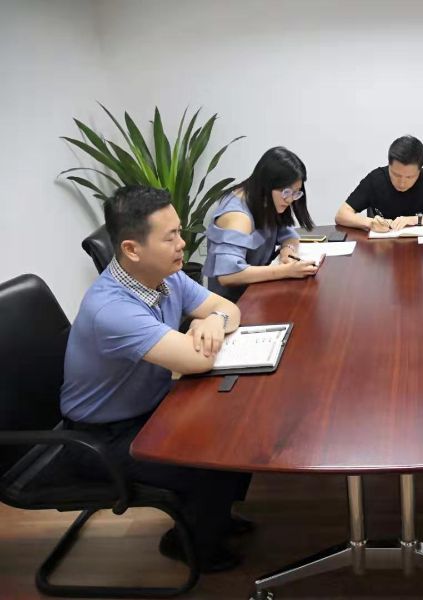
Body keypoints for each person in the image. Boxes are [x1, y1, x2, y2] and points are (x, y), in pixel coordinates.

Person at [60, 186, 252, 573]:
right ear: (132, 249)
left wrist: (212, 321)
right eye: (171, 237)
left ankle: (212, 517)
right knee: (216, 457)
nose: (183, 244)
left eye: (179, 231)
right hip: (100, 439)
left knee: (236, 427)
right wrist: (206, 326)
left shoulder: (165, 276)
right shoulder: (111, 309)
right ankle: (191, 545)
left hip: (148, 408)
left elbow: (227, 308)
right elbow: (196, 360)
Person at [203, 146, 317, 302]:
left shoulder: (267, 200)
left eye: (296, 193)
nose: (290, 199)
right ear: (267, 185)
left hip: (259, 291)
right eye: (286, 192)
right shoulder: (238, 218)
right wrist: (286, 271)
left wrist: (288, 251)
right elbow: (228, 275)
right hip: (233, 303)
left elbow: (289, 236)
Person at [334, 135, 423, 232]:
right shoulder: (376, 179)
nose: (402, 183)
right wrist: (370, 223)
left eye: (410, 177)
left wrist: (416, 220)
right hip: (382, 254)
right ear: (389, 165)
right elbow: (341, 215)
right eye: (396, 174)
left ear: (420, 169)